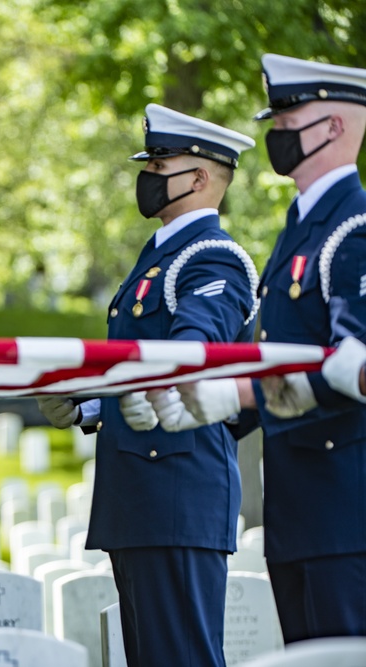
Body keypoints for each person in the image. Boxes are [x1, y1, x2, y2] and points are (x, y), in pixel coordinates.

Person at [152, 54, 366, 644]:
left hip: (347, 512)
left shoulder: (355, 225)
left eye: (290, 116)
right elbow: (271, 355)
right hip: (297, 510)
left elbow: (353, 368)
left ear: (335, 128)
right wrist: (203, 407)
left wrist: (235, 395)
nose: (276, 132)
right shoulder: (301, 228)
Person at [36, 104, 258, 666]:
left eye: (162, 163)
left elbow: (186, 358)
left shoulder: (213, 257)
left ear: (201, 178)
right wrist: (88, 405)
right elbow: (141, 377)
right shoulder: (159, 256)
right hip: (142, 495)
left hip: (177, 492)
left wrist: (99, 393)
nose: (149, 175)